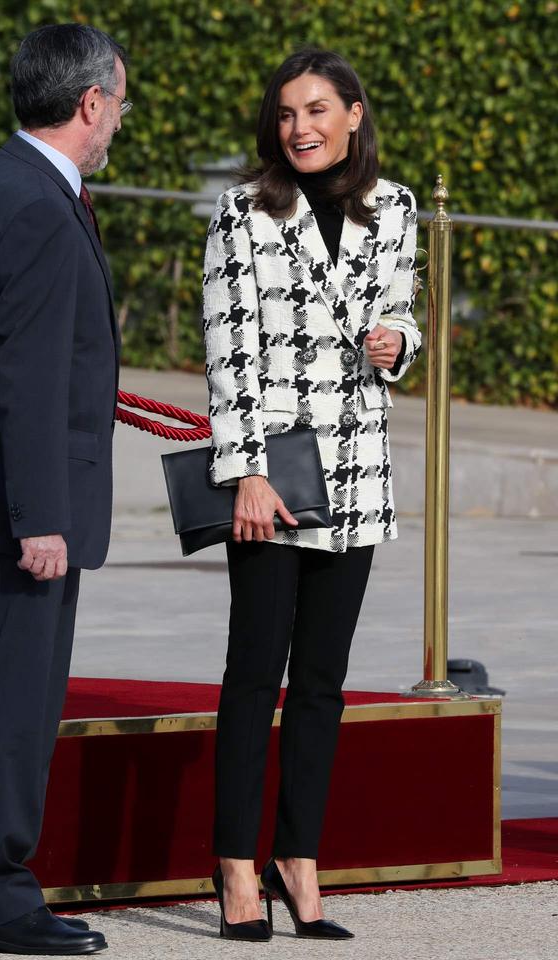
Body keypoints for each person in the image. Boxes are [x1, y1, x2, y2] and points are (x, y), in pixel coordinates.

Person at [203, 47, 421, 941]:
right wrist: (245, 467)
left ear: (355, 115)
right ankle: (233, 866)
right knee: (255, 675)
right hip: (275, 470)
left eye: (318, 109)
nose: (300, 127)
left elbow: (405, 310)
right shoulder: (243, 210)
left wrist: (395, 344)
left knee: (324, 682)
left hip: (359, 462)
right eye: (287, 113)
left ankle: (299, 856)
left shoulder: (395, 206)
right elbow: (228, 347)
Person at [0, 23, 130, 956]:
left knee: (11, 697)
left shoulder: (7, 183)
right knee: (16, 707)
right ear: (89, 103)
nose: (120, 117)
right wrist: (41, 518)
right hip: (20, 514)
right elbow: (31, 377)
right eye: (119, 101)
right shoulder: (41, 206)